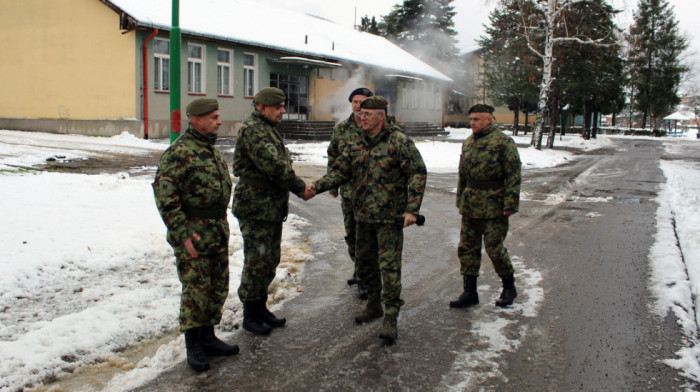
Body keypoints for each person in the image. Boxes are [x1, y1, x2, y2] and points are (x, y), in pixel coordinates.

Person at [306, 96, 427, 342]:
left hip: (389, 219)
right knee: (364, 265)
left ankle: (391, 317)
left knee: (390, 269)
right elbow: (340, 171)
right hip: (362, 216)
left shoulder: (399, 141)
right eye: (361, 114)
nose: (362, 117)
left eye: (368, 114)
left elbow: (417, 171)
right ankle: (374, 304)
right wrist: (314, 187)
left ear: (381, 116)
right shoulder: (355, 142)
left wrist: (412, 209)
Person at [152, 98, 238, 372]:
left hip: (215, 230)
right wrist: (182, 232)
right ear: (196, 120)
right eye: (213, 117)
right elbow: (166, 197)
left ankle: (208, 337)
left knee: (216, 287)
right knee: (196, 291)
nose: (219, 121)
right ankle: (194, 345)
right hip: (193, 234)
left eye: (218, 116)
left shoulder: (210, 151)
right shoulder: (179, 152)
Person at [232, 87, 307, 336]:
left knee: (269, 260)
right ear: (262, 107)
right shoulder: (254, 130)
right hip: (256, 208)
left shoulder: (266, 129)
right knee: (256, 262)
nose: (283, 111)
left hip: (269, 208)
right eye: (278, 107)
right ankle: (250, 315)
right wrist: (300, 188)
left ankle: (260, 307)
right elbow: (276, 167)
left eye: (284, 106)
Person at [450, 104, 522, 309]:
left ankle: (509, 287)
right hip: (471, 205)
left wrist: (510, 204)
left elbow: (514, 175)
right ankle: (470, 292)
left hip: (494, 205)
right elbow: (462, 174)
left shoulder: (503, 142)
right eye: (471, 119)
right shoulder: (469, 142)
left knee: (495, 249)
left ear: (489, 119)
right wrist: (460, 199)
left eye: (476, 119)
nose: (472, 123)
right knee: (467, 248)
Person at [326, 87, 374, 300]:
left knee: (367, 237)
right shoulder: (342, 129)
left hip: (372, 193)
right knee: (352, 234)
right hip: (349, 192)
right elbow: (333, 156)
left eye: (362, 102)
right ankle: (359, 268)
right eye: (355, 101)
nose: (358, 106)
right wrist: (332, 186)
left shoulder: (375, 126)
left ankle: (366, 277)